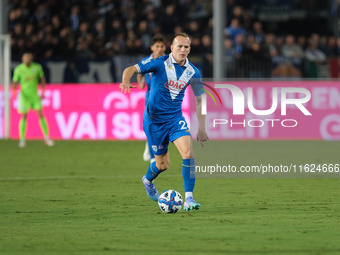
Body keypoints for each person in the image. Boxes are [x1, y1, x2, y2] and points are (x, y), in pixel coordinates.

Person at [120, 32, 208, 211]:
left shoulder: (193, 72)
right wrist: (125, 81)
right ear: (172, 48)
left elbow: (200, 99)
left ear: (189, 49)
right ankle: (148, 180)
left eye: (186, 47)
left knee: (188, 152)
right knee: (163, 164)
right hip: (154, 122)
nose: (182, 50)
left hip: (175, 119)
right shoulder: (159, 63)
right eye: (179, 46)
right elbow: (130, 69)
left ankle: (189, 198)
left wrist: (202, 127)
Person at [12, 52, 54, 148]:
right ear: (23, 59)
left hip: (34, 95)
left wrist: (43, 91)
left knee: (40, 114)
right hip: (24, 96)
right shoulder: (19, 69)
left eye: (29, 58)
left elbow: (42, 79)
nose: (27, 60)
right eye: (25, 58)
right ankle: (22, 139)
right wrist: (14, 92)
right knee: (23, 116)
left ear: (31, 59)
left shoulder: (37, 67)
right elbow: (15, 82)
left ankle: (46, 138)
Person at [137, 34, 166, 163]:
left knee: (162, 127)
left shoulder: (169, 61)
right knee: (152, 125)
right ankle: (154, 158)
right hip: (150, 98)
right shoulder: (147, 61)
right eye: (157, 46)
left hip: (165, 99)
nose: (159, 49)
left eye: (162, 46)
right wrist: (140, 82)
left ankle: (150, 146)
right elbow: (139, 72)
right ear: (152, 47)